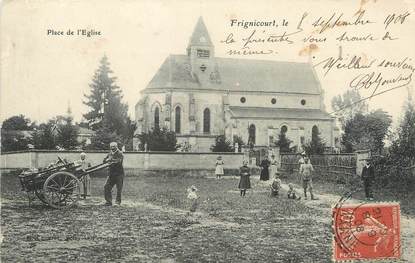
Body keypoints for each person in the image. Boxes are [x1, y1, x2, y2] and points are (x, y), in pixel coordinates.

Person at [103, 142, 124, 206]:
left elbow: (118, 161)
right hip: (111, 174)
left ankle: (117, 202)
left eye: (113, 146)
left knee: (119, 188)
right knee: (106, 187)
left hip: (119, 174)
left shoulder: (120, 153)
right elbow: (104, 160)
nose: (112, 148)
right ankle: (108, 201)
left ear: (116, 146)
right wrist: (106, 160)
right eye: (111, 146)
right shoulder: (109, 153)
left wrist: (110, 160)